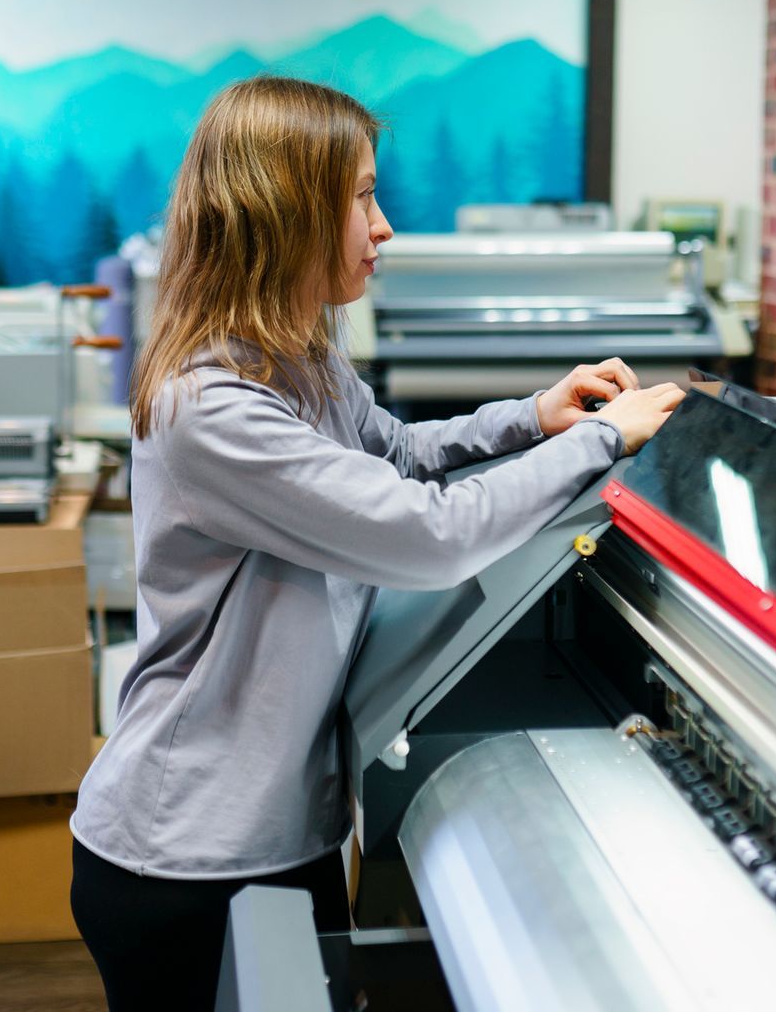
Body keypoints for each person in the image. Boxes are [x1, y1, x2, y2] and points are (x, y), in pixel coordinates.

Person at [68, 76, 683, 1009]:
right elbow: (429, 536)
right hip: (186, 853)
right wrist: (607, 438)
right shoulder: (214, 406)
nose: (384, 225)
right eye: (360, 197)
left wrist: (533, 419)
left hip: (285, 829)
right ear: (286, 211)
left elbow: (396, 455)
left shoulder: (296, 355)